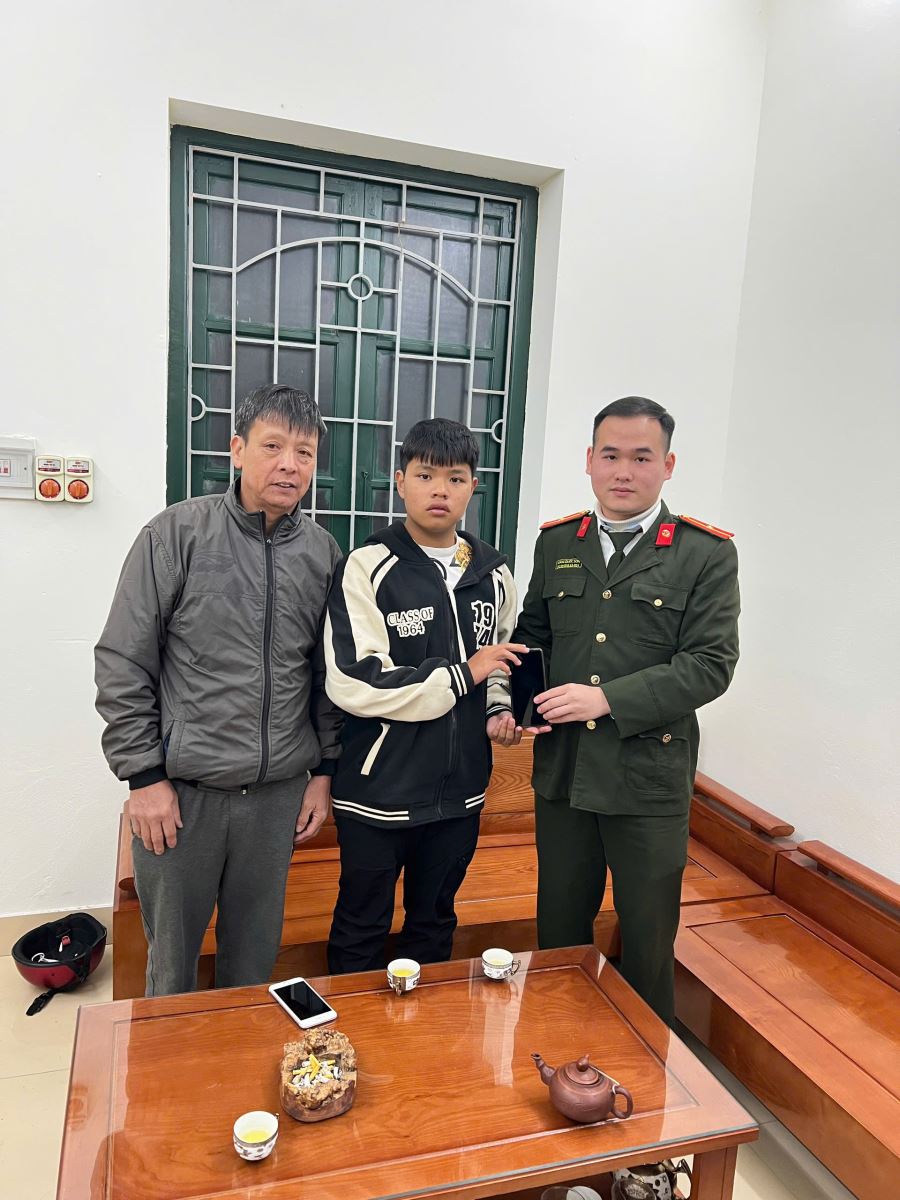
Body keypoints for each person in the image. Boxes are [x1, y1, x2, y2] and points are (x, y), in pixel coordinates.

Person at [95, 385, 342, 996]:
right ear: (236, 449)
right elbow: (124, 660)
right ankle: (167, 1060)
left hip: (276, 799)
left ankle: (243, 1057)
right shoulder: (176, 534)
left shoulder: (322, 552)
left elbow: (325, 675)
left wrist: (323, 772)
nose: (290, 465)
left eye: (305, 453)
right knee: (172, 970)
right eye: (272, 446)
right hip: (183, 799)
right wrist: (144, 778)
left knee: (254, 968)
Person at [513, 396, 740, 1024]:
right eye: (610, 455)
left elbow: (711, 664)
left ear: (668, 465)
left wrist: (608, 699)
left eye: (642, 457)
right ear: (589, 460)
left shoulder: (703, 553)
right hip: (565, 773)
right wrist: (514, 705)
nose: (623, 471)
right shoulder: (558, 542)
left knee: (647, 939)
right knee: (559, 931)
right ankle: (559, 1050)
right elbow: (535, 638)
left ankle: (647, 1068)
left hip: (647, 779)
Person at [323, 417, 525, 973]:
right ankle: (353, 1024)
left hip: (460, 793)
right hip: (376, 793)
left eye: (455, 478)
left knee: (434, 923)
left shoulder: (493, 572)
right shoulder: (367, 566)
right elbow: (354, 680)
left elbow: (502, 659)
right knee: (361, 926)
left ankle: (423, 1027)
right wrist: (461, 676)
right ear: (400, 482)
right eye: (425, 475)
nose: (440, 490)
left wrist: (500, 709)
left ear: (473, 487)